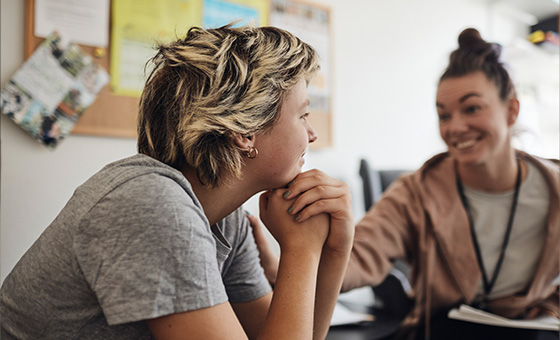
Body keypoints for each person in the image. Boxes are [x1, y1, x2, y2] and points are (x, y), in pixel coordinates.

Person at [0, 25, 354, 340]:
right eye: (303, 115)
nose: (312, 134)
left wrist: (335, 248)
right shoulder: (152, 203)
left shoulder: (223, 218)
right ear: (244, 130)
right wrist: (302, 250)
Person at [251, 28, 559, 340]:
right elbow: (361, 255)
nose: (455, 127)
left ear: (511, 111)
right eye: (443, 115)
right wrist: (286, 268)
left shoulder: (554, 188)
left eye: (472, 108)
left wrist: (551, 306)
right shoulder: (417, 191)